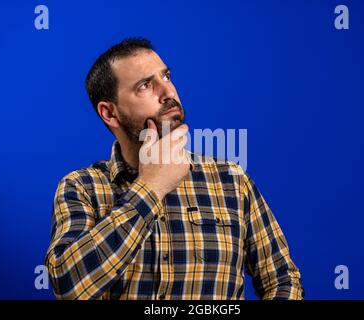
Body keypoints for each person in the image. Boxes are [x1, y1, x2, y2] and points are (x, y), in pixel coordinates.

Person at [45, 37, 304, 300]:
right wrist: (150, 187)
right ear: (110, 113)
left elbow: (283, 280)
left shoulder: (231, 180)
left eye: (166, 76)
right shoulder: (81, 187)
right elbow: (69, 285)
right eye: (146, 85)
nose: (168, 93)